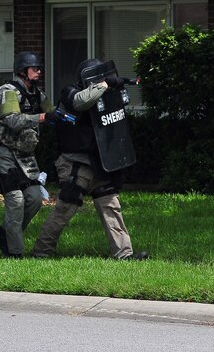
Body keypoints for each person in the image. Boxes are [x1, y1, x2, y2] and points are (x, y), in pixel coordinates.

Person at [32, 58, 148, 260]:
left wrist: (116, 89)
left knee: (111, 206)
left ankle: (124, 254)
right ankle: (41, 252)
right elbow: (81, 101)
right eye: (99, 78)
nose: (104, 81)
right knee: (65, 209)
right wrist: (105, 85)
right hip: (75, 164)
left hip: (100, 162)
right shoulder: (70, 92)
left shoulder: (102, 93)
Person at [0, 51, 57, 258]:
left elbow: (53, 112)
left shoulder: (36, 94)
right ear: (23, 71)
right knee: (15, 201)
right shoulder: (7, 92)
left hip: (23, 155)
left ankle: (3, 235)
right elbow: (14, 121)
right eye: (35, 68)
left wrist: (63, 111)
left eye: (40, 68)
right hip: (2, 153)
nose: (39, 71)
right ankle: (15, 253)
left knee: (33, 199)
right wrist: (43, 116)